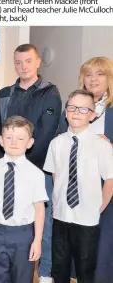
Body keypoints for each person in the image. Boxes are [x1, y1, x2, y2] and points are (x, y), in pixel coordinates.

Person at [0, 43, 62, 283]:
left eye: (28, 61)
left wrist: (25, 164)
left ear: (37, 62)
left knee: (42, 221)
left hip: (38, 169)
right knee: (12, 221)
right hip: (8, 169)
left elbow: (45, 134)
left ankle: (44, 271)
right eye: (18, 62)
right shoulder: (4, 94)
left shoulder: (50, 92)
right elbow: (0, 130)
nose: (23, 66)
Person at [44, 89, 113, 283]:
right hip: (61, 215)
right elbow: (55, 176)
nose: (76, 112)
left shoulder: (102, 146)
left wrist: (99, 208)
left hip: (87, 219)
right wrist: (59, 201)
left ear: (92, 115)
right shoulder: (56, 144)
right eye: (72, 107)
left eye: (83, 109)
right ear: (65, 112)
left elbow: (110, 180)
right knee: (59, 266)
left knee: (85, 267)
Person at [0, 115, 47, 283]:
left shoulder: (35, 174)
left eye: (20, 138)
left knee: (22, 277)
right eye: (9, 137)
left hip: (23, 234)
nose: (14, 142)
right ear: (1, 140)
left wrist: (37, 240)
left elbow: (39, 209)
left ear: (29, 143)